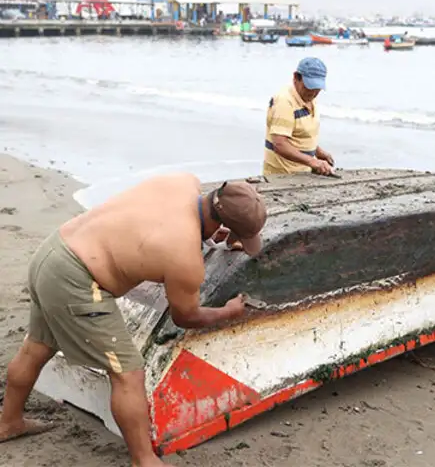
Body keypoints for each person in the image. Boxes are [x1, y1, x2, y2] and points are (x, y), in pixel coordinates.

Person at [0, 173, 267, 466]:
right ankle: (144, 459)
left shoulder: (182, 182)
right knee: (128, 373)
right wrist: (228, 312)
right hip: (78, 279)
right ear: (226, 226)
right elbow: (186, 316)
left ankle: (8, 421)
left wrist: (210, 234)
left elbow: (167, 221)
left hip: (53, 252)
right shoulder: (184, 256)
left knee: (36, 346)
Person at [263, 57, 335, 176]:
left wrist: (318, 152)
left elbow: (299, 135)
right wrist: (313, 162)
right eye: (309, 87)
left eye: (317, 89)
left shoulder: (309, 99)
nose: (313, 93)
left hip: (302, 173)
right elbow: (280, 144)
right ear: (296, 77)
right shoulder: (284, 102)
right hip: (281, 177)